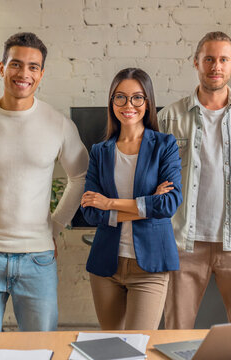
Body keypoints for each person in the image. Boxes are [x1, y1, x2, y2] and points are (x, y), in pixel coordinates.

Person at [0, 32, 88, 346]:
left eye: (33, 67)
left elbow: (81, 176)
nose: (24, 74)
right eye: (16, 64)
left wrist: (56, 223)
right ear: (1, 67)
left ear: (41, 74)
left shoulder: (58, 124)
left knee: (41, 350)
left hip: (37, 260)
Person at [158, 31, 231, 327]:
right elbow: (154, 182)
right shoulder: (169, 118)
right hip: (183, 244)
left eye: (223, 59)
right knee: (176, 330)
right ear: (195, 62)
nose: (216, 66)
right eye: (208, 59)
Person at [81, 68, 182, 330]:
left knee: (139, 347)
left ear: (147, 102)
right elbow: (91, 213)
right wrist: (147, 203)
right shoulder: (99, 152)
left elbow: (169, 203)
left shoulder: (164, 145)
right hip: (106, 266)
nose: (129, 105)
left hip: (150, 266)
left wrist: (110, 203)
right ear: (111, 102)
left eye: (137, 97)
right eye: (121, 97)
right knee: (112, 347)